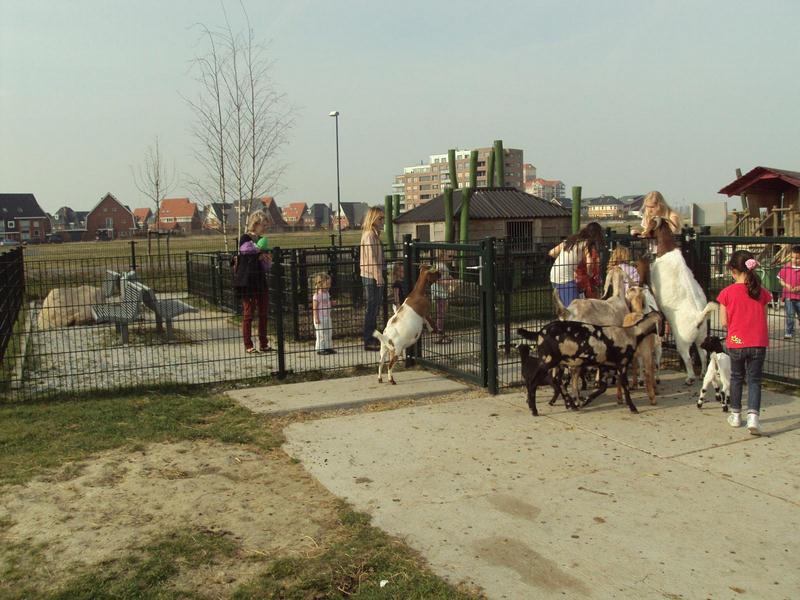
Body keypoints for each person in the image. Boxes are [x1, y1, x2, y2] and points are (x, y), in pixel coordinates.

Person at [717, 250, 772, 435]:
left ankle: (735, 415)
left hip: (736, 342)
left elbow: (724, 322)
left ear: (733, 270)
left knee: (736, 378)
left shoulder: (726, 293)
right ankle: (753, 418)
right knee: (755, 380)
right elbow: (764, 318)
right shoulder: (762, 293)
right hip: (758, 342)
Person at [233, 211, 272, 353]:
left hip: (260, 280)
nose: (265, 228)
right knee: (248, 314)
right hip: (247, 281)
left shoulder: (262, 239)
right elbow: (245, 249)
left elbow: (266, 266)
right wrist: (259, 251)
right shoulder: (245, 238)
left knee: (263, 313)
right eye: (264, 225)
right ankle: (248, 344)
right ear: (255, 224)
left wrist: (267, 260)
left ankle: (263, 343)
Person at [548, 222, 605, 307]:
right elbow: (589, 263)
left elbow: (551, 252)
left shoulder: (569, 240)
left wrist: (565, 259)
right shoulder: (586, 244)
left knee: (563, 306)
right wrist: (589, 274)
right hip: (566, 277)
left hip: (554, 274)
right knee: (573, 308)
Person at [360, 207, 385, 351]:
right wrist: (378, 276)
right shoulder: (369, 235)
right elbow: (371, 259)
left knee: (374, 308)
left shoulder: (374, 234)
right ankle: (369, 339)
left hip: (374, 274)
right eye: (380, 218)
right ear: (373, 219)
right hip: (371, 275)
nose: (382, 221)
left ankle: (372, 337)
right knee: (371, 308)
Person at [431, 250, 456, 344]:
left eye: (453, 257)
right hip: (439, 292)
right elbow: (437, 280)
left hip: (442, 292)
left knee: (441, 313)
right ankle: (438, 334)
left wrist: (450, 278)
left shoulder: (443, 266)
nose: (451, 259)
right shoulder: (440, 266)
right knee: (440, 313)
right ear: (443, 255)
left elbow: (444, 276)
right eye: (450, 256)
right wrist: (450, 282)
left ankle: (440, 333)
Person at [777, 245, 800, 339]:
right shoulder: (786, 267)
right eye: (792, 257)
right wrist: (787, 285)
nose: (794, 260)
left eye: (798, 258)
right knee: (790, 315)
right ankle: (789, 331)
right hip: (788, 296)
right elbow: (780, 279)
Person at [312, 273, 336, 355]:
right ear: (321, 284)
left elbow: (327, 302)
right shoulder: (317, 295)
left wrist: (331, 303)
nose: (329, 286)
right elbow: (315, 308)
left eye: (330, 284)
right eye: (327, 284)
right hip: (320, 318)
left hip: (327, 316)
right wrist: (316, 318)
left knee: (328, 332)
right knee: (321, 333)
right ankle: (320, 348)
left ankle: (328, 347)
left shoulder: (327, 293)